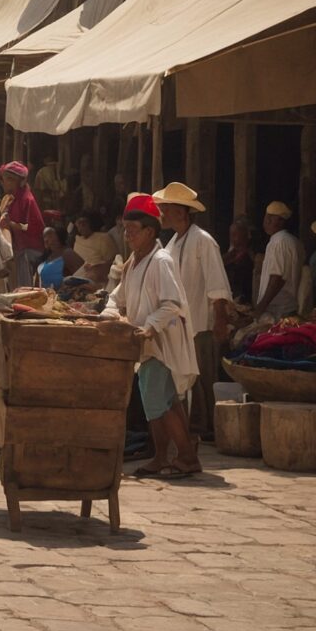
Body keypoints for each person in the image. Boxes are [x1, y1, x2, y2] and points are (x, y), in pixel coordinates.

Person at [103, 193, 201, 479]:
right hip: (144, 344)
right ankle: (165, 457)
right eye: (126, 230)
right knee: (164, 401)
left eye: (133, 231)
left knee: (158, 402)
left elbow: (172, 303)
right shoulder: (133, 262)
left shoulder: (161, 261)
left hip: (160, 343)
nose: (127, 235)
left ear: (150, 231)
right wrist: (107, 316)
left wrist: (149, 327)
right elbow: (116, 297)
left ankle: (184, 457)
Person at [153, 182, 231, 442]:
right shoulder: (173, 243)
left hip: (200, 322)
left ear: (181, 212)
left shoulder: (203, 241)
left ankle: (208, 428)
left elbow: (217, 285)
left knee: (204, 377)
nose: (161, 212)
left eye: (166, 208)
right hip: (182, 325)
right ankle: (196, 426)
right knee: (189, 379)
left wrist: (220, 321)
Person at [0, 161, 45, 288]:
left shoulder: (26, 200)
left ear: (18, 182)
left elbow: (30, 227)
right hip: (17, 245)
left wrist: (10, 224)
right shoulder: (10, 198)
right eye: (5, 179)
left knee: (20, 269)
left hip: (30, 247)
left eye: (9, 179)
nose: (5, 182)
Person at [257, 200, 303, 319]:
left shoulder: (279, 242)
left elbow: (277, 278)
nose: (267, 221)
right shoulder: (294, 241)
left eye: (272, 218)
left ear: (282, 221)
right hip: (288, 308)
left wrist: (260, 308)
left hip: (277, 312)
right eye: (267, 216)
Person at [71, 209, 119, 287]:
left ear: (91, 223)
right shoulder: (77, 240)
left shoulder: (103, 238)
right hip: (76, 278)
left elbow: (113, 262)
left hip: (97, 280)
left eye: (84, 223)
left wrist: (96, 267)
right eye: (79, 223)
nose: (81, 226)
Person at [223, 215, 256, 303]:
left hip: (244, 299)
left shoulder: (250, 257)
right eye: (231, 235)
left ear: (245, 234)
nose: (232, 238)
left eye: (235, 234)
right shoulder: (231, 254)